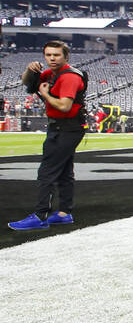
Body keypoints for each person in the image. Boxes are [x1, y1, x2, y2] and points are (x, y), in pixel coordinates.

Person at [9, 40, 88, 231]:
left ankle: (40, 215)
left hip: (66, 128)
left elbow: (64, 106)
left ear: (66, 57)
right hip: (65, 127)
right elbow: (27, 82)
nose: (52, 58)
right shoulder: (52, 73)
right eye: (48, 55)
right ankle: (64, 213)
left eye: (57, 55)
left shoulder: (68, 77)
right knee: (64, 172)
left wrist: (45, 95)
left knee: (47, 172)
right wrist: (30, 69)